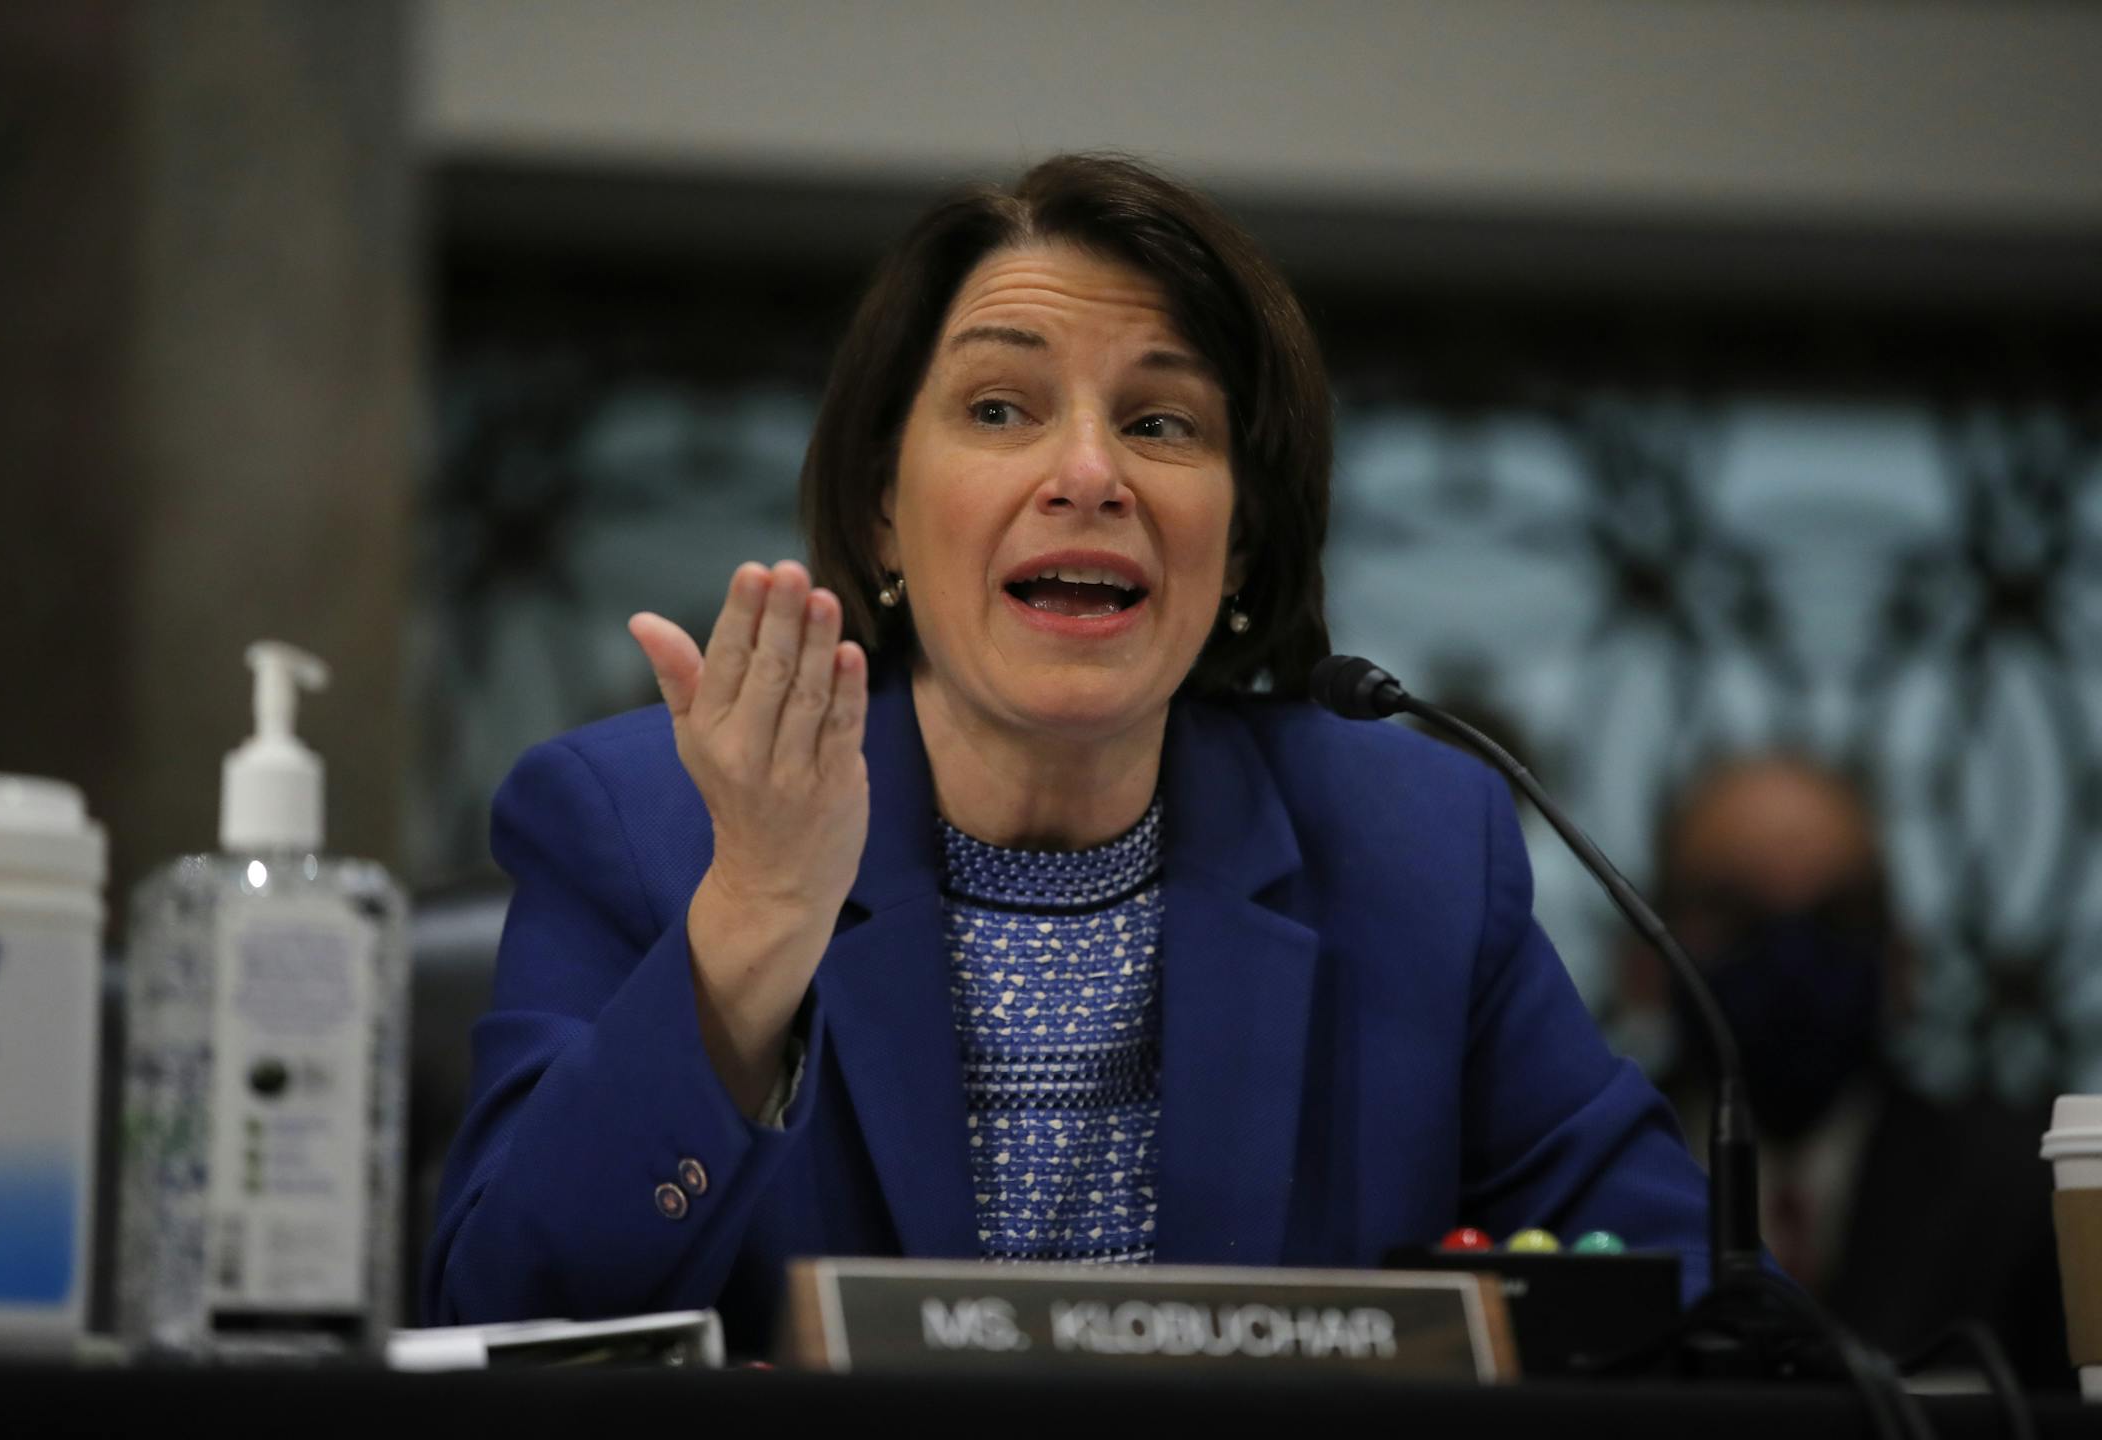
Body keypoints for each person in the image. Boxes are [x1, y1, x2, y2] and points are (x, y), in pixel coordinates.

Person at [424, 154, 1713, 1351]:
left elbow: (1681, 1291)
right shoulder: (646, 822)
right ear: (884, 506)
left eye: (1162, 425)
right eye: (1000, 407)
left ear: (1245, 546)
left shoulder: (1408, 843)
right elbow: (498, 1318)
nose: (1089, 472)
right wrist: (755, 922)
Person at [1612, 754, 2066, 1383]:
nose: (1792, 958)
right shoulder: (1588, 1190)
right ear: (1644, 964)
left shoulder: (2024, 1199)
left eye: (1839, 916)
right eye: (1733, 914)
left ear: (1901, 960)